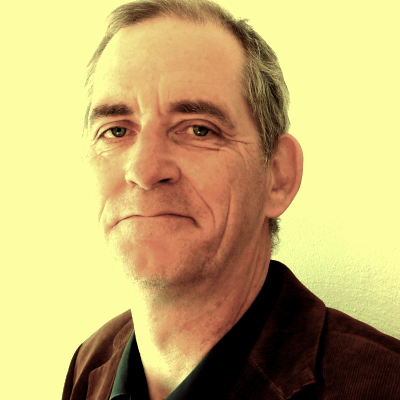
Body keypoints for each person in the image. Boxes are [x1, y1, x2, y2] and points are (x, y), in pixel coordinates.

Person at [62, 0, 400, 399]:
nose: (145, 170)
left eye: (199, 130)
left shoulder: (384, 384)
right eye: (116, 131)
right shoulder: (90, 365)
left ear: (278, 176)